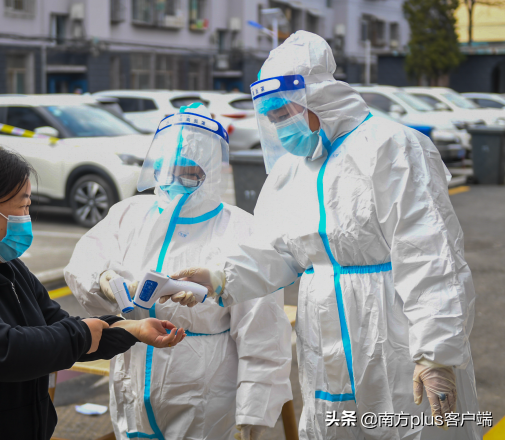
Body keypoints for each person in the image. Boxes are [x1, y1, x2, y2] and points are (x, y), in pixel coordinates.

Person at [170, 32, 479, 439]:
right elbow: (277, 251)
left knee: (411, 425)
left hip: (394, 332)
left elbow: (430, 254)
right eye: (273, 118)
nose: (281, 127)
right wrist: (218, 277)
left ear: (319, 97)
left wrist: (436, 354)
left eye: (285, 113)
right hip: (324, 334)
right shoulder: (292, 171)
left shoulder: (391, 146)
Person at [0, 146, 185, 440]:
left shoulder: (6, 266)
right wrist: (80, 333)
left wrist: (131, 329)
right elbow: (4, 353)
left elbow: (57, 326)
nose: (27, 218)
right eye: (23, 206)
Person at [64, 104, 293, 440]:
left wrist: (253, 412)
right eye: (166, 168)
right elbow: (84, 259)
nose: (174, 180)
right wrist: (103, 281)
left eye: (189, 172)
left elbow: (263, 335)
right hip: (130, 384)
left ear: (212, 172)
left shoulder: (240, 230)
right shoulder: (130, 214)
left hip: (204, 396)